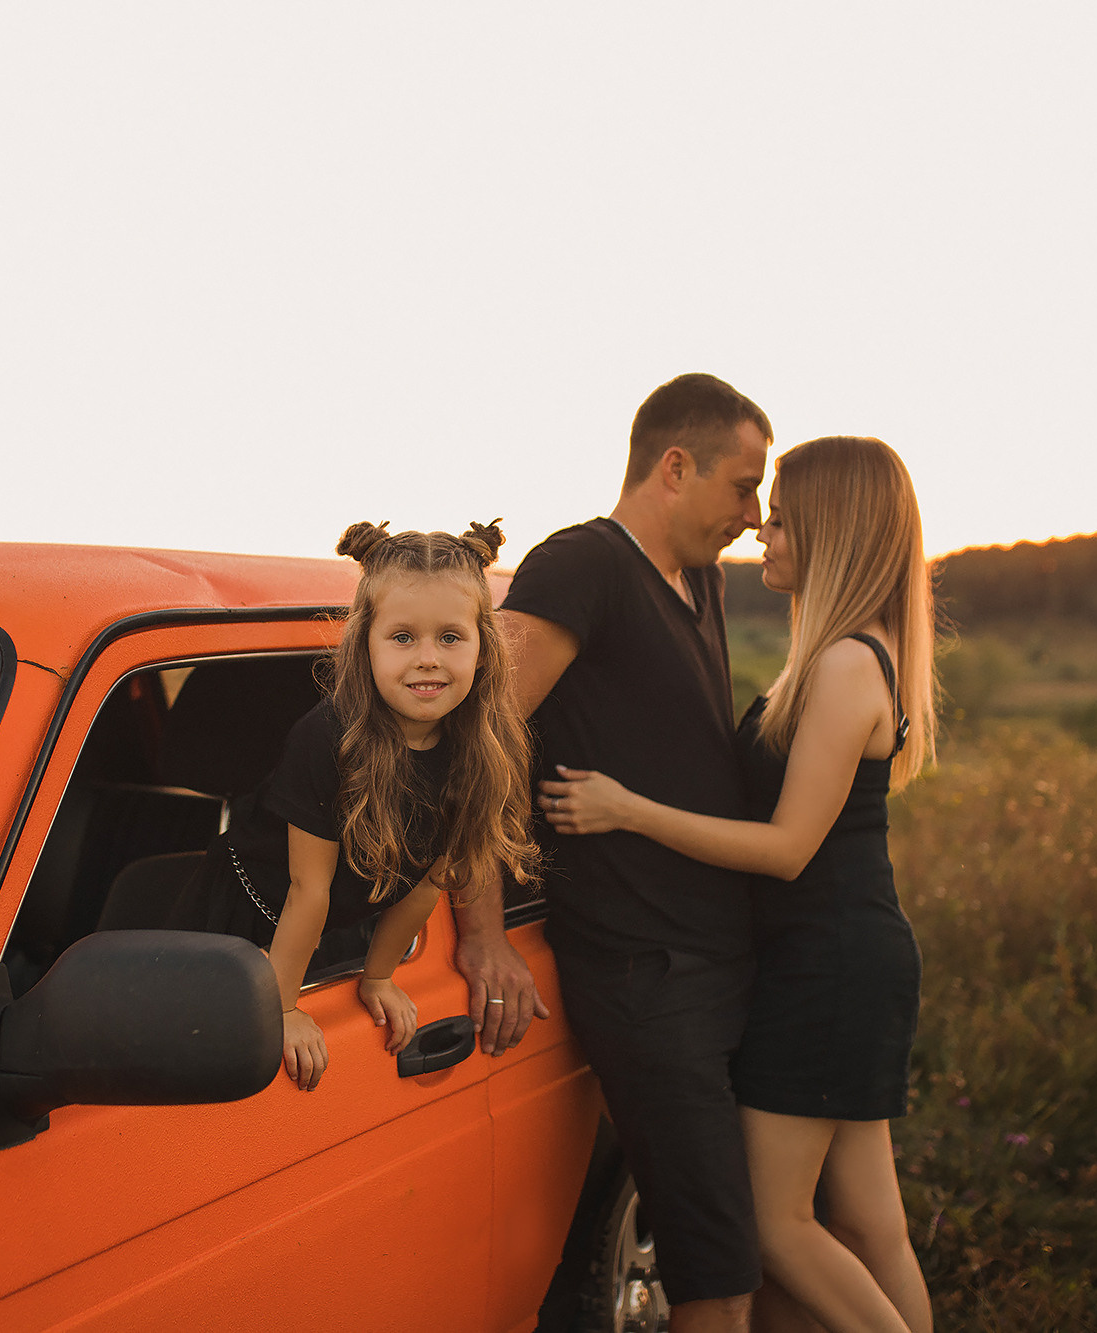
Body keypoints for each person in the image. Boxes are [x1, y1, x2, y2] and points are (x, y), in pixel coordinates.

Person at [542, 435, 937, 1333]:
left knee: (773, 1224)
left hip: (825, 967)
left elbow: (789, 848)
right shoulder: (849, 652)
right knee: (872, 1226)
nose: (764, 529)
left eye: (787, 517)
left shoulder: (843, 666)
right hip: (846, 957)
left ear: (835, 532)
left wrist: (626, 809)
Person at [498, 372, 775, 1333]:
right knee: (716, 1276)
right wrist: (480, 930)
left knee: (762, 1241)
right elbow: (469, 747)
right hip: (644, 976)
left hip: (723, 960)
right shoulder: (580, 566)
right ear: (673, 465)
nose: (754, 513)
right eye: (743, 486)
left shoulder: (702, 577)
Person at [164, 519, 541, 1091]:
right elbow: (306, 890)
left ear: (483, 646)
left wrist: (379, 976)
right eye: (402, 637)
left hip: (334, 927)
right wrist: (283, 1007)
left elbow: (427, 881)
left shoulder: (482, 748)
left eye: (450, 637)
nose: (428, 659)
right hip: (244, 920)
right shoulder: (327, 738)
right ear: (364, 642)